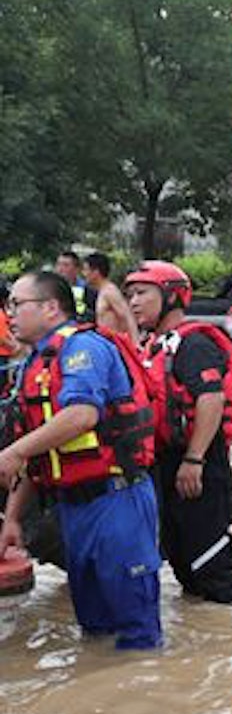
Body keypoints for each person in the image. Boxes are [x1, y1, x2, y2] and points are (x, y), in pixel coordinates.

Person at [0, 271, 163, 649]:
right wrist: (11, 519)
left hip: (117, 500)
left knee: (136, 632)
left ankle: (144, 693)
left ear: (50, 308)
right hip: (73, 510)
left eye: (17, 305)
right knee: (93, 627)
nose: (10, 314)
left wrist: (14, 451)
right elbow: (38, 452)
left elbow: (82, 416)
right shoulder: (33, 365)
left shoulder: (83, 350)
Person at [125, 261, 232, 604]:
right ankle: (197, 639)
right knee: (180, 557)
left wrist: (194, 459)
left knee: (210, 561)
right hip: (167, 463)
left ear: (172, 297)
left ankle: (223, 634)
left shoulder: (193, 346)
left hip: (201, 462)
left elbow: (211, 398)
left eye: (141, 293)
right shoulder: (155, 346)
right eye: (129, 294)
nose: (133, 302)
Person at [81, 253, 139, 339]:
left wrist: (135, 342)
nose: (83, 274)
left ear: (96, 272)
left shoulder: (110, 291)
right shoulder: (102, 291)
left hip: (115, 343)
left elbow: (127, 316)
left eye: (86, 270)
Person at [53, 251, 96, 322]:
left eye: (66, 265)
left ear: (77, 269)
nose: (60, 269)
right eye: (58, 264)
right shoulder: (50, 289)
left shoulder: (88, 290)